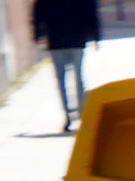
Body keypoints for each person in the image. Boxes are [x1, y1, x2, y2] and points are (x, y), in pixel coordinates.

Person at [33, 0, 102, 131]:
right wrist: (95, 37)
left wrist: (37, 35)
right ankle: (83, 114)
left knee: (61, 80)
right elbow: (91, 13)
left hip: (56, 40)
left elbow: (38, 13)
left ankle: (67, 116)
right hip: (77, 39)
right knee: (79, 78)